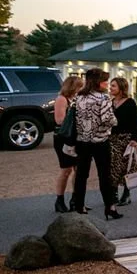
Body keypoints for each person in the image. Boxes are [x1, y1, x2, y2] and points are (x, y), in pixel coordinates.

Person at [70, 68, 121, 220]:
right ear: (98, 82)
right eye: (105, 80)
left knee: (81, 175)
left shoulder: (78, 97)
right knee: (104, 175)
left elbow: (74, 117)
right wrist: (114, 122)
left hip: (82, 140)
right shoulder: (103, 98)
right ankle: (110, 206)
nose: (107, 83)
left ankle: (79, 206)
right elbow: (107, 119)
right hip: (100, 141)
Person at [108, 77, 137, 207]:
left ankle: (126, 194)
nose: (111, 88)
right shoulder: (110, 103)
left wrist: (134, 139)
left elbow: (136, 122)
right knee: (112, 167)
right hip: (112, 139)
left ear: (121, 88)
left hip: (126, 139)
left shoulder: (130, 103)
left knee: (127, 167)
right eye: (110, 86)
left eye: (114, 86)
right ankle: (114, 193)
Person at [53, 75, 83, 213]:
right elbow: (60, 120)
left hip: (77, 138)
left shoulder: (77, 100)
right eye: (79, 86)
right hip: (64, 138)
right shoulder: (62, 99)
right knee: (66, 169)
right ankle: (59, 200)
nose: (81, 89)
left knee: (79, 169)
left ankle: (76, 199)